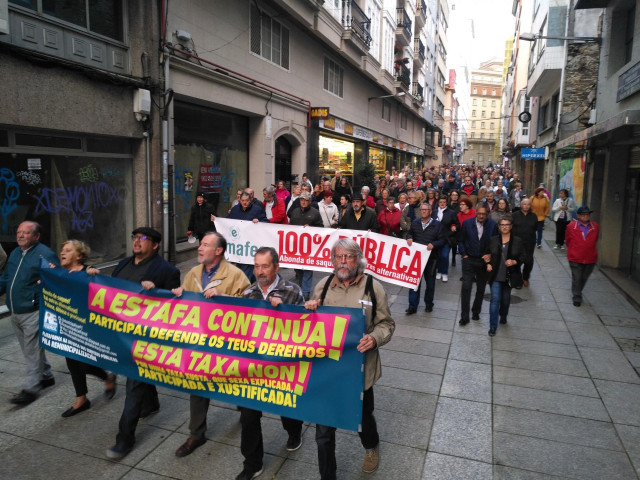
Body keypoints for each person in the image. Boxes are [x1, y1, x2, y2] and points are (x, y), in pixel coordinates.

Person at [304, 239, 395, 479]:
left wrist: (374, 338)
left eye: (348, 256)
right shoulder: (322, 286)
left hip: (360, 372)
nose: (343, 262)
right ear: (332, 260)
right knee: (323, 432)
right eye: (338, 257)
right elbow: (310, 329)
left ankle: (371, 446)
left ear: (358, 259)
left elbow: (386, 324)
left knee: (363, 420)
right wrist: (310, 311)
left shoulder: (373, 287)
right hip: (328, 372)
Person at [171, 232, 250, 458]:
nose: (199, 248)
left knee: (236, 383)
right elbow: (185, 307)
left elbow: (249, 307)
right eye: (201, 244)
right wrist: (180, 295)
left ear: (218, 251)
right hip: (200, 343)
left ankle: (245, 411)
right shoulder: (193, 273)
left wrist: (223, 297)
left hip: (229, 345)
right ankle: (196, 434)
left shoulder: (236, 275)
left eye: (205, 245)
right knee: (197, 385)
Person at [107, 227, 181, 459]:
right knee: (137, 382)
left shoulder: (167, 270)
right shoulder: (123, 264)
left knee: (134, 385)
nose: (137, 242)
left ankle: (124, 439)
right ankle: (150, 405)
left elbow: (172, 305)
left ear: (155, 245)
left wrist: (157, 291)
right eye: (135, 238)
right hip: (120, 333)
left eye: (143, 239)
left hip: (144, 340)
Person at [235, 247, 305, 480]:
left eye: (265, 266)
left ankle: (294, 431)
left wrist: (283, 312)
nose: (260, 271)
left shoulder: (292, 291)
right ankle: (252, 463)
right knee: (248, 416)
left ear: (276, 266)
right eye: (256, 266)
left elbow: (305, 330)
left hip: (283, 367)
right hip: (254, 367)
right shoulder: (248, 294)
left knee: (287, 410)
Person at [53, 240, 116, 417]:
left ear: (79, 256)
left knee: (85, 364)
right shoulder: (60, 273)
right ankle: (81, 399)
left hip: (87, 328)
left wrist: (93, 274)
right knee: (72, 363)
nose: (62, 253)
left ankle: (107, 377)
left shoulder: (88, 272)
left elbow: (103, 292)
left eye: (68, 250)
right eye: (62, 250)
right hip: (68, 325)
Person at [0, 221, 59, 405]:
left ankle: (31, 388)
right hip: (15, 309)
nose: (21, 235)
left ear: (36, 236)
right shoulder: (16, 253)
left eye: (26, 233)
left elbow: (55, 282)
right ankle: (47, 375)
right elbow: (7, 277)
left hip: (33, 310)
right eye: (19, 232)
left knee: (32, 351)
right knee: (29, 348)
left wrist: (42, 304)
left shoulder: (45, 254)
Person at [457, 205, 498, 325]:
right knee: (466, 287)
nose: (481, 216)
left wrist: (490, 254)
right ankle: (464, 316)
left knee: (481, 288)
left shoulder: (492, 225)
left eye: (483, 214)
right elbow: (460, 240)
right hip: (469, 259)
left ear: (487, 214)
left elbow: (495, 242)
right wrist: (464, 254)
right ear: (476, 213)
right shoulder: (467, 223)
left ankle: (476, 311)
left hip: (483, 261)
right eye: (479, 214)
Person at [485, 219, 525, 336]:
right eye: (502, 225)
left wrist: (514, 261)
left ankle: (503, 316)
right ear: (498, 227)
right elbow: (486, 253)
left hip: (509, 276)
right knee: (495, 299)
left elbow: (524, 256)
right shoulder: (493, 240)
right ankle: (493, 326)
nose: (504, 227)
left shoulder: (517, 241)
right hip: (495, 275)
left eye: (507, 225)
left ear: (511, 226)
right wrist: (487, 263)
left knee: (506, 300)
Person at [405, 203, 446, 314]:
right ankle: (412, 306)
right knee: (414, 284)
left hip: (431, 259)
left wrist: (434, 244)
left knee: (430, 284)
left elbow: (443, 240)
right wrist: (409, 238)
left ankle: (429, 304)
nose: (423, 211)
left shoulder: (437, 225)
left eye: (425, 210)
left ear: (430, 211)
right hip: (417, 260)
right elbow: (409, 234)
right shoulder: (415, 223)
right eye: (421, 209)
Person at [226, 192, 269, 281]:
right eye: (243, 201)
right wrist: (216, 220)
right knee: (240, 268)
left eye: (246, 200)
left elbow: (266, 222)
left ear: (250, 200)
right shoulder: (235, 209)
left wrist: (259, 221)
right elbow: (227, 222)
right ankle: (252, 283)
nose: (245, 203)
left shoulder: (256, 210)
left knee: (246, 270)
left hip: (250, 246)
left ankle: (245, 289)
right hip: (239, 246)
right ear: (239, 200)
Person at [289, 192, 323, 300]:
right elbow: (290, 227)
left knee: (307, 268)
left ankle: (306, 292)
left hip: (309, 247)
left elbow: (321, 228)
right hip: (296, 246)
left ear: (310, 201)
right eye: (301, 200)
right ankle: (300, 283)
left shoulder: (315, 213)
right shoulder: (294, 212)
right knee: (298, 268)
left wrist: (311, 228)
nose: (303, 202)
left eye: (305, 200)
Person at [565, 206, 599, 307]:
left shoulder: (595, 227)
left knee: (584, 277)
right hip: (575, 257)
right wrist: (574, 249)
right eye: (583, 215)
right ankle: (577, 297)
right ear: (578, 216)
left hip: (590, 258)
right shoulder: (571, 226)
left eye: (587, 215)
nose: (585, 217)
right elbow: (568, 240)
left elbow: (595, 240)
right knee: (577, 277)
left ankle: (578, 291)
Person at [511, 198, 538, 287]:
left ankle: (525, 277)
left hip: (529, 242)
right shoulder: (514, 215)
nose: (526, 206)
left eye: (528, 204)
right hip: (517, 243)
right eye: (524, 204)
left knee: (528, 261)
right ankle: (517, 278)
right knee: (517, 261)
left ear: (530, 206)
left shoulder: (534, 216)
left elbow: (535, 228)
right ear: (521, 205)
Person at [433, 196, 460, 282]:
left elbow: (457, 224)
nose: (442, 204)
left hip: (447, 238)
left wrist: (454, 227)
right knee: (438, 256)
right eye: (440, 202)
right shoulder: (434, 212)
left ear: (446, 203)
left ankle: (444, 273)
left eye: (444, 202)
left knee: (444, 256)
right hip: (436, 238)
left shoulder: (451, 213)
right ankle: (439, 271)